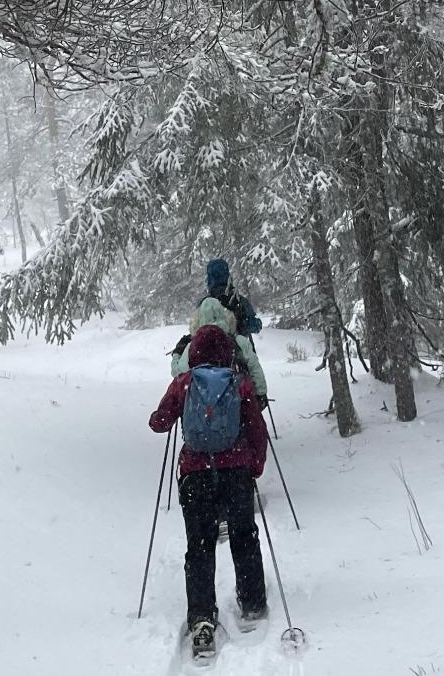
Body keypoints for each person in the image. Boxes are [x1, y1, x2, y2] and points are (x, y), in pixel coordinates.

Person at [148, 324, 270, 659]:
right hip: (236, 472)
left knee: (199, 546)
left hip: (195, 475)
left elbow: (160, 423)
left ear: (196, 352)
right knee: (244, 535)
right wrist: (254, 467)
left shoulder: (184, 383)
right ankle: (253, 602)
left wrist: (161, 416)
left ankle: (202, 617)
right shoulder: (240, 384)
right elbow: (257, 430)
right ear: (228, 352)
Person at [171, 297, 268, 399]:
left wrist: (177, 354)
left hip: (202, 404)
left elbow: (178, 373)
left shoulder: (193, 345)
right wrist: (260, 394)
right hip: (234, 400)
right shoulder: (239, 341)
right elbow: (254, 368)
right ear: (223, 314)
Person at [200, 258, 261, 336]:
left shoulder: (204, 303)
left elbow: (195, 326)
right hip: (236, 345)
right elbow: (254, 326)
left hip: (209, 346)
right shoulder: (240, 301)